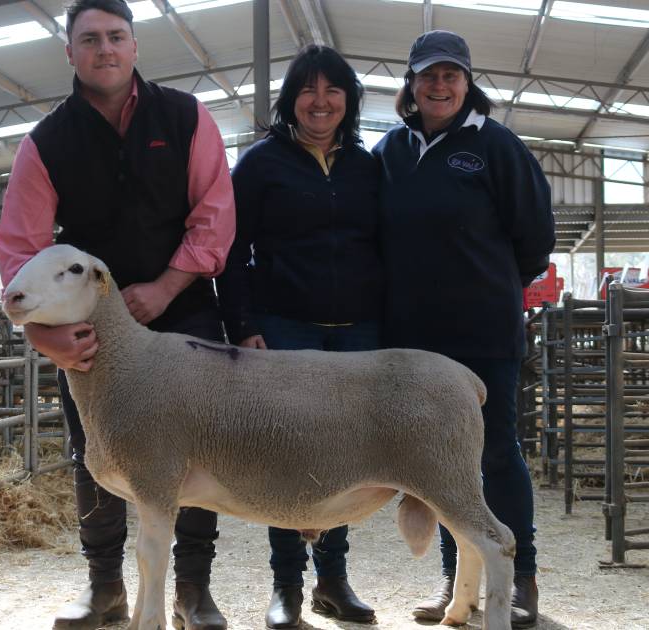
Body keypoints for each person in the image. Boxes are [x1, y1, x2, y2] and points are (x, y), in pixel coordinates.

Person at [0, 1, 235, 628]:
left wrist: (164, 285)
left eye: (117, 37)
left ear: (134, 46)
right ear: (69, 52)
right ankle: (104, 588)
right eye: (90, 39)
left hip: (182, 310)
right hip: (91, 330)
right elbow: (21, 250)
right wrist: (50, 336)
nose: (105, 49)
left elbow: (214, 212)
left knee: (198, 448)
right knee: (94, 448)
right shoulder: (46, 142)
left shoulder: (185, 118)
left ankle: (192, 591)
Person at [371, 30, 554, 628]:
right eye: (428, 75)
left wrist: (487, 284)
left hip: (482, 333)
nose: (439, 85)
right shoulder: (391, 151)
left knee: (497, 451)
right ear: (412, 84)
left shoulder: (496, 146)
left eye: (451, 75)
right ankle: (458, 586)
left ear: (468, 82)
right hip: (414, 342)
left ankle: (519, 577)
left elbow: (536, 239)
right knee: (439, 464)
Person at [216, 45, 382, 629]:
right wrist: (245, 326)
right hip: (284, 326)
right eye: (308, 90)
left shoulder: (369, 166)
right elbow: (233, 251)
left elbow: (387, 247)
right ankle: (286, 585)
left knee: (344, 454)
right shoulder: (262, 164)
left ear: (349, 100)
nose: (321, 101)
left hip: (359, 332)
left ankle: (332, 579)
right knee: (286, 452)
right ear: (291, 100)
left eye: (333, 90)